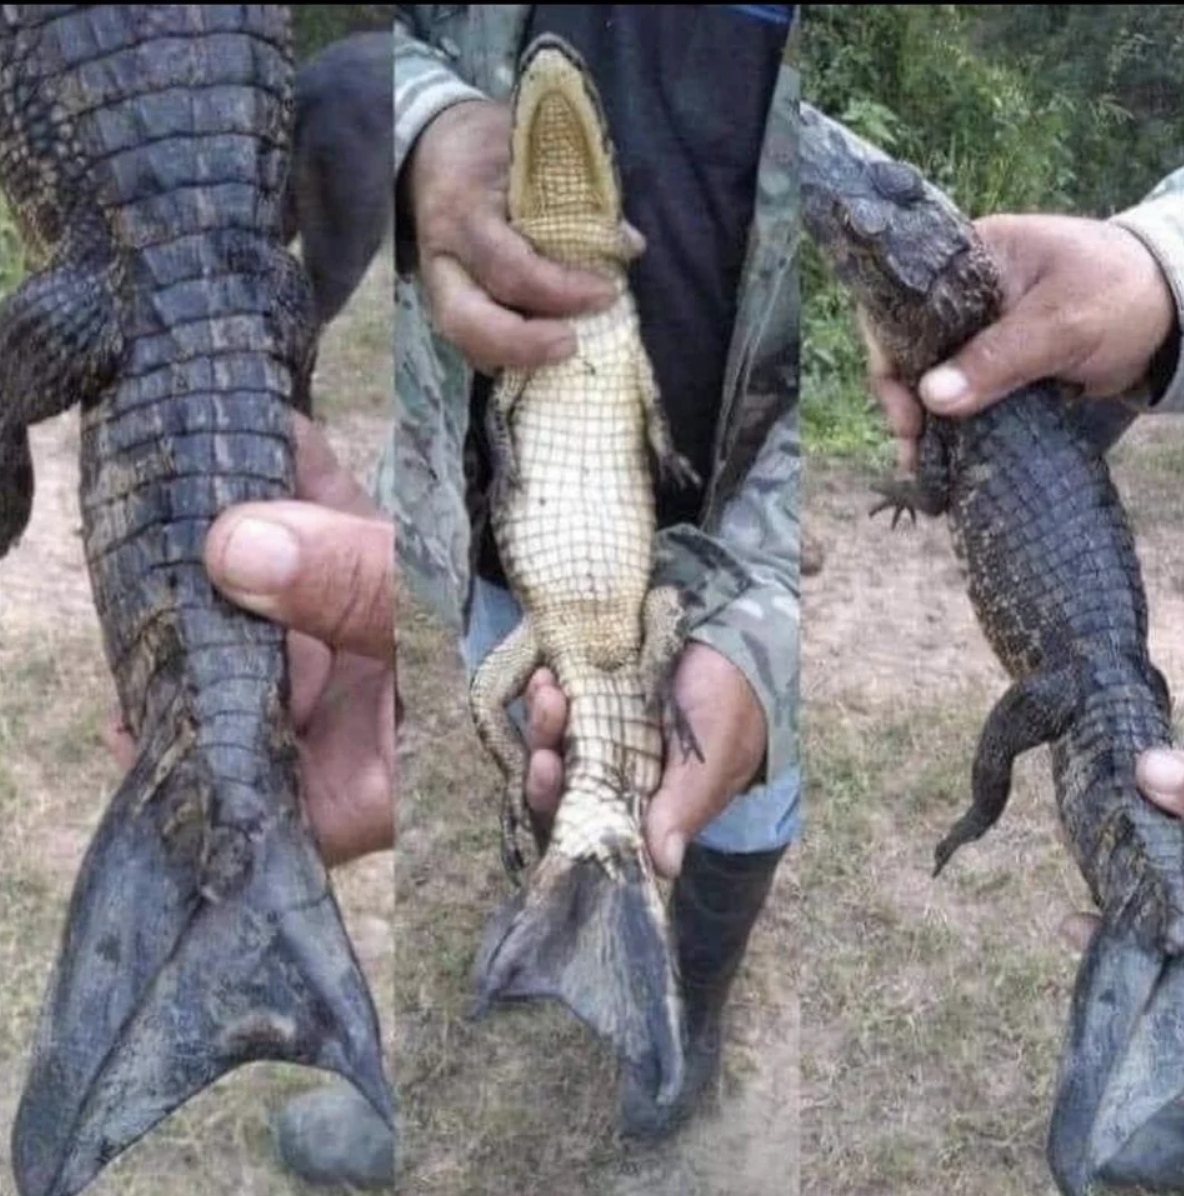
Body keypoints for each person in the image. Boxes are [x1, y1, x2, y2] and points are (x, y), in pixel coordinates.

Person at [394, 0, 801, 1164]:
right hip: (519, 559)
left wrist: (761, 617)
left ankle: (685, 1004)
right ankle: (567, 888)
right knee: (530, 743)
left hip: (730, 563)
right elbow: (388, 47)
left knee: (740, 796)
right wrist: (422, 123)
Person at [858, 176, 1184, 948]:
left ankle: (983, 807)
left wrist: (908, 487)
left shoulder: (956, 399)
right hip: (1112, 663)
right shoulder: (1043, 382)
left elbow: (935, 491)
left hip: (1082, 676)